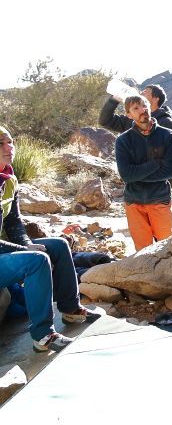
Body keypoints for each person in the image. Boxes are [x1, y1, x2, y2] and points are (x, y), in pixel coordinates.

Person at [0, 126, 100, 352]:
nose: (9, 147)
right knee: (36, 260)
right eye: (1, 143)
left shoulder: (8, 179)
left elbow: (14, 222)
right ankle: (43, 336)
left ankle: (71, 309)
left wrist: (26, 243)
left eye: (10, 141)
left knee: (58, 245)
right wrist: (25, 249)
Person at [115, 95, 172, 250]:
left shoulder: (168, 136)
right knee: (143, 252)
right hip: (134, 203)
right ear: (129, 115)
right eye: (136, 108)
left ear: (150, 108)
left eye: (144, 105)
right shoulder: (123, 140)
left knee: (167, 249)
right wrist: (156, 164)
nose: (142, 110)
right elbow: (126, 175)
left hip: (160, 201)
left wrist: (138, 175)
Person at [99, 84, 172, 135]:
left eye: (145, 92)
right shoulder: (131, 119)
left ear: (156, 99)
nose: (140, 94)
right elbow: (105, 121)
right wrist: (114, 100)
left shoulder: (165, 122)